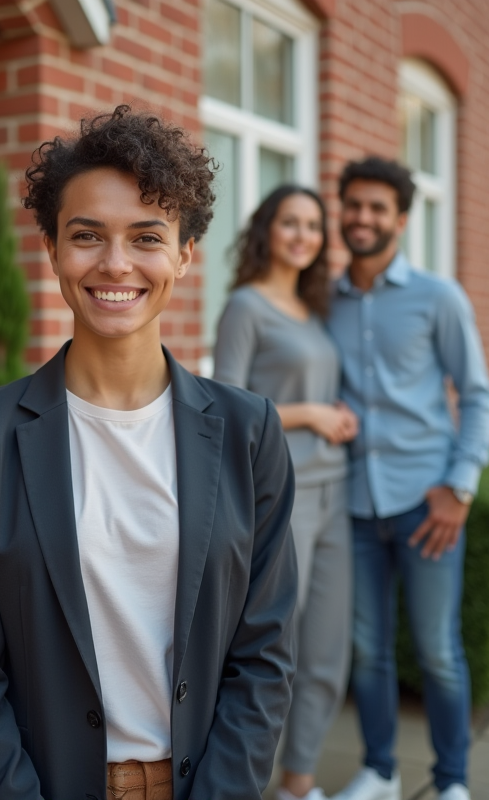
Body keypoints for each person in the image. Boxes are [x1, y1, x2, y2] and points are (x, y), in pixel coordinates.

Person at [0, 105, 300, 800]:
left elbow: (266, 655)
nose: (115, 263)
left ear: (186, 255)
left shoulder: (250, 432)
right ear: (55, 250)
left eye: (147, 237)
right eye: (87, 235)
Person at [326, 157, 489, 800]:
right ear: (342, 211)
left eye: (377, 208)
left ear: (400, 220)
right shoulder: (326, 302)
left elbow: (478, 395)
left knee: (438, 652)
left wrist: (461, 486)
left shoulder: (438, 297)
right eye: (354, 205)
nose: (363, 218)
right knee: (367, 651)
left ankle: (452, 782)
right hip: (354, 506)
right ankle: (380, 771)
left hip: (427, 505)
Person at [212, 185, 357, 800]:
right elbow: (221, 405)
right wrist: (308, 415)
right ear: (267, 230)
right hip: (284, 500)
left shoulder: (314, 311)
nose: (302, 235)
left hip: (336, 496)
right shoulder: (246, 306)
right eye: (290, 222)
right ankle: (246, 782)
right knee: (275, 656)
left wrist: (337, 415)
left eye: (313, 226)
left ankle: (300, 784)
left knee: (327, 652)